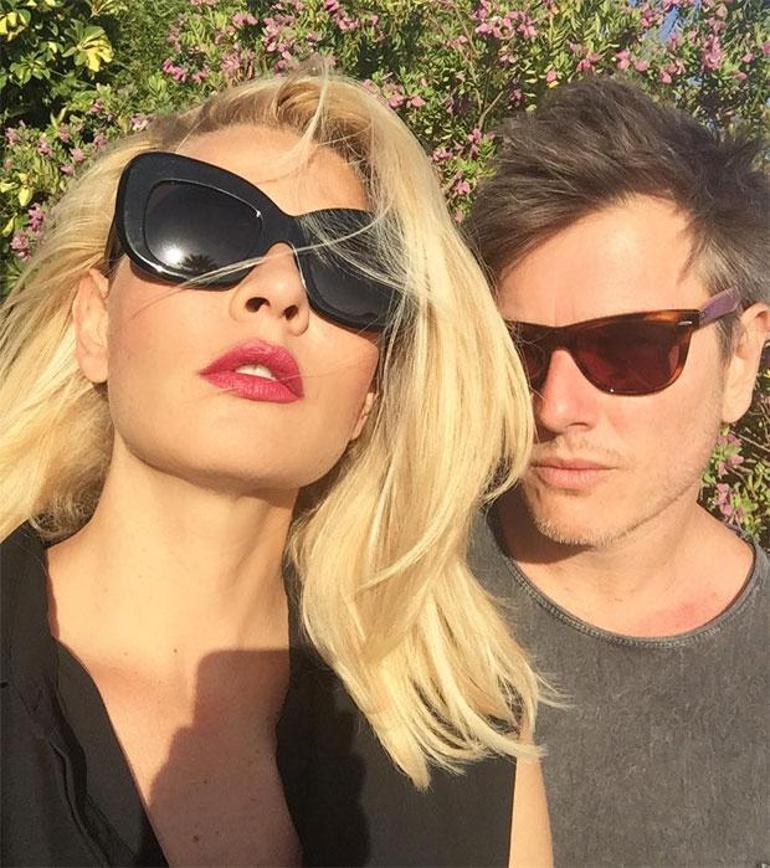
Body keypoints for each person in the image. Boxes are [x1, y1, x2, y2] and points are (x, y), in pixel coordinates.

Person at [0, 70, 552, 866]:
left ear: (368, 398)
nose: (279, 288)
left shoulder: (471, 743)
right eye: (202, 229)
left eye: (346, 266)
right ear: (95, 324)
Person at [465, 77, 770, 866]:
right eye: (519, 350)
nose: (557, 407)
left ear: (741, 358)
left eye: (631, 348)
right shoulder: (382, 586)